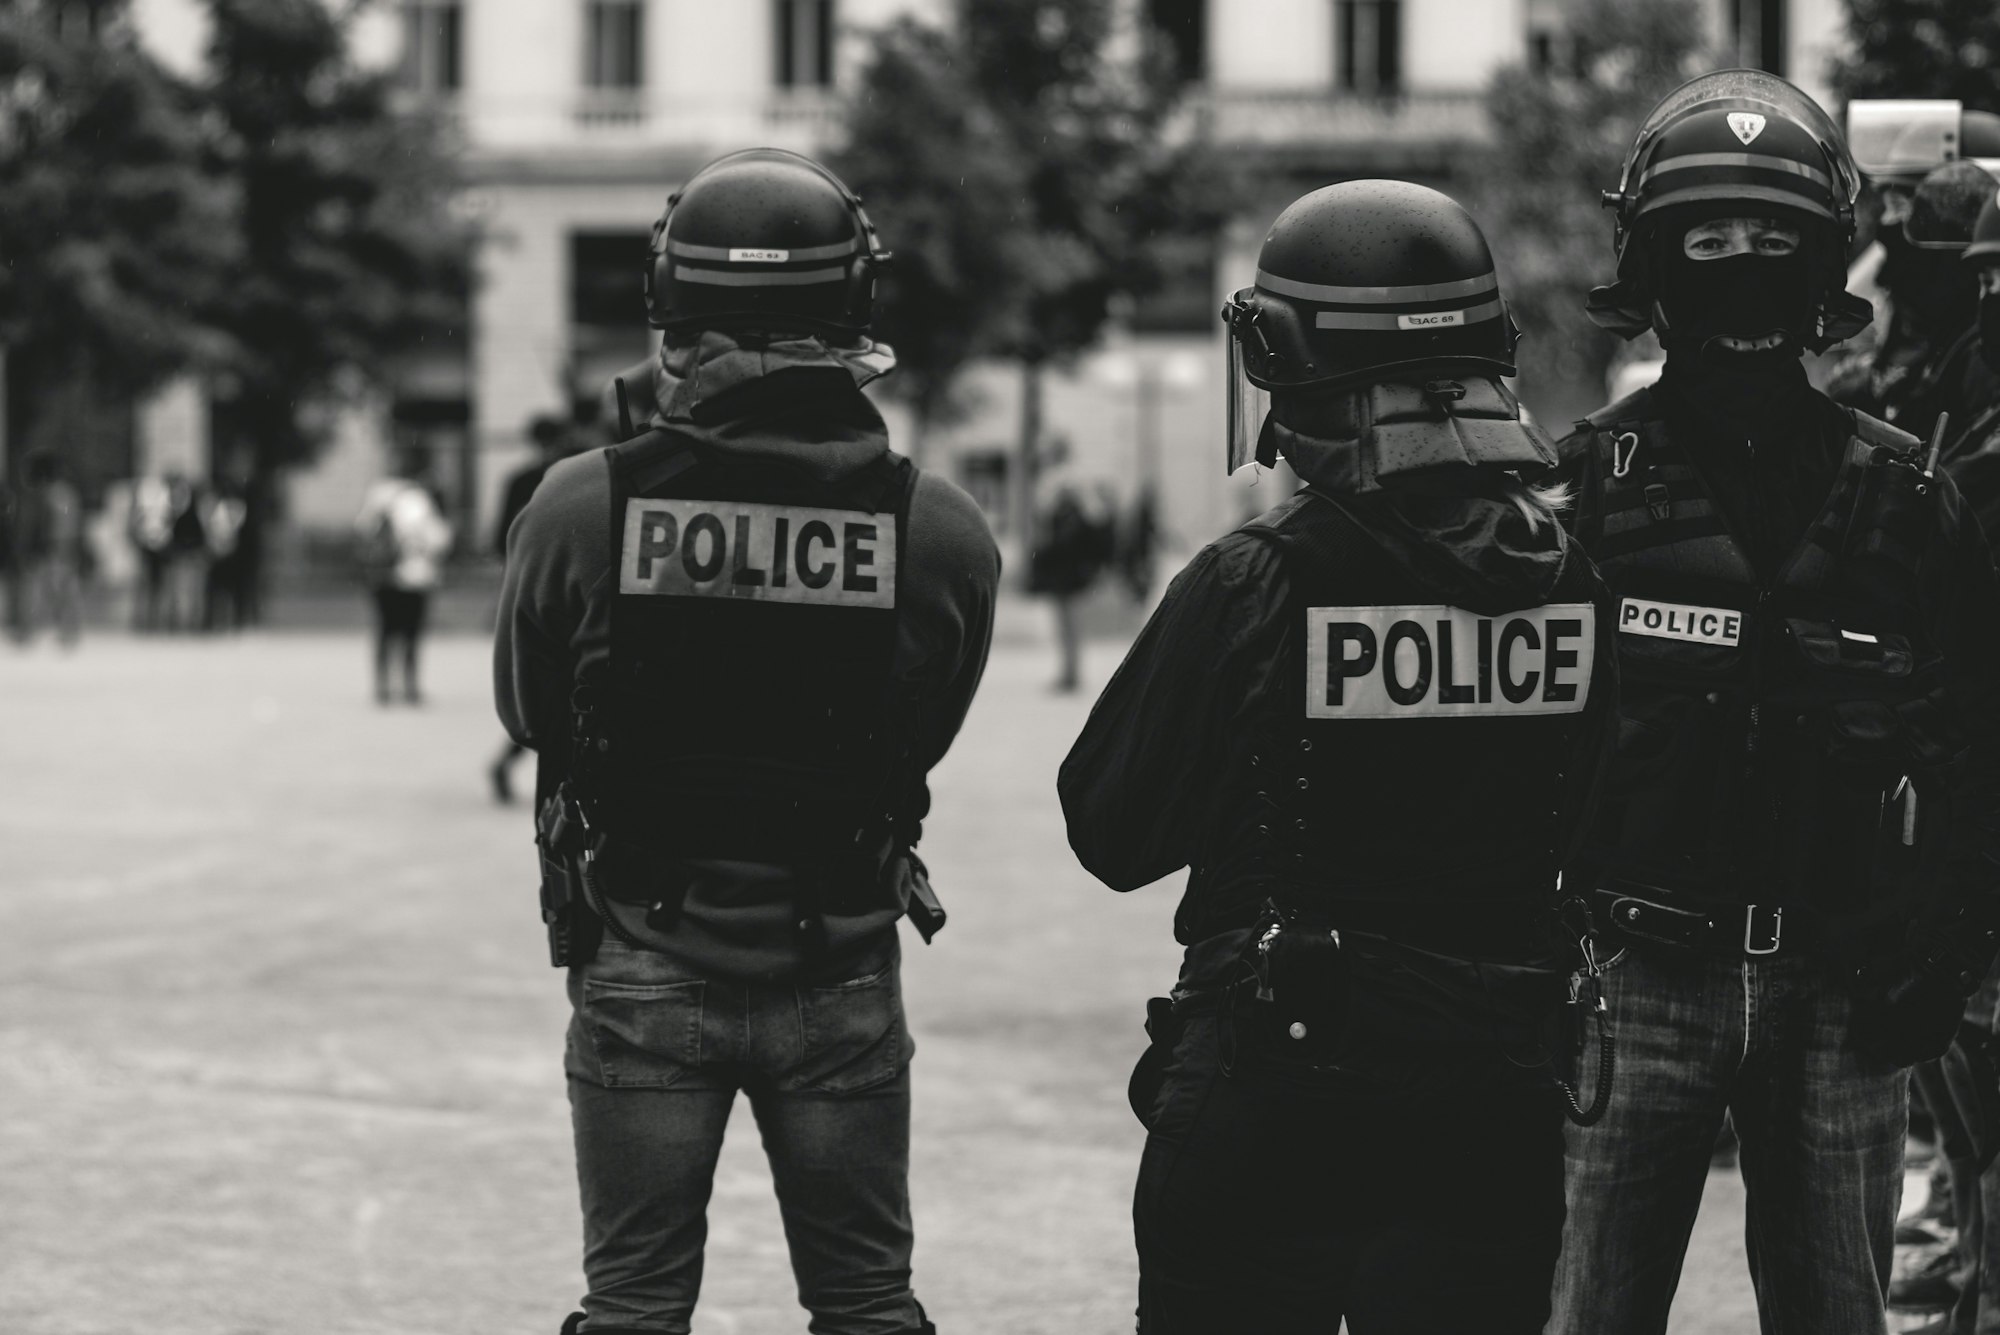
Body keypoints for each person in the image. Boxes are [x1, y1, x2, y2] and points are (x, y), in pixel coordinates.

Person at [1059, 179, 1620, 1335]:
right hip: (1491, 1098)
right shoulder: (1573, 580)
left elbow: (1111, 834)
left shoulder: (1253, 579)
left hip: (1276, 1086)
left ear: (1289, 368)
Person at [494, 147, 998, 1335]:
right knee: (868, 1302)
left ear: (671, 308)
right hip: (840, 953)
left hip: (639, 948)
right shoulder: (936, 525)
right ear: (851, 306)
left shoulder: (582, 504)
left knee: (630, 1304)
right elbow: (929, 724)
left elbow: (530, 715)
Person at [1544, 70, 2000, 1335]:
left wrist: (1948, 940)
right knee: (1585, 1308)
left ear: (1818, 264)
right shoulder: (1577, 497)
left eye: (1769, 240)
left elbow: (1971, 741)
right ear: (1651, 262)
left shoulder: (1909, 502)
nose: (1738, 266)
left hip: (1842, 990)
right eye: (1706, 241)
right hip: (1629, 977)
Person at [489, 415, 577, 803]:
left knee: (536, 679)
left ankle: (511, 758)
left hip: (524, 589)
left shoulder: (522, 481)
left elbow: (498, 540)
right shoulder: (574, 478)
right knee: (561, 683)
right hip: (565, 594)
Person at [355, 449, 453, 705]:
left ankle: (383, 685)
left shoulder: (378, 493)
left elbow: (363, 529)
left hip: (383, 572)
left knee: (385, 629)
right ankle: (410, 686)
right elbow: (438, 538)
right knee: (411, 630)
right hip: (415, 574)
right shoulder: (422, 498)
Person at [13, 450, 86, 647]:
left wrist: (35, 548)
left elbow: (49, 525)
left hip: (52, 548)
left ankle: (31, 632)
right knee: (60, 589)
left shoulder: (50, 495)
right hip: (60, 548)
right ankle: (66, 631)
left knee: (39, 589)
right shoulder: (65, 493)